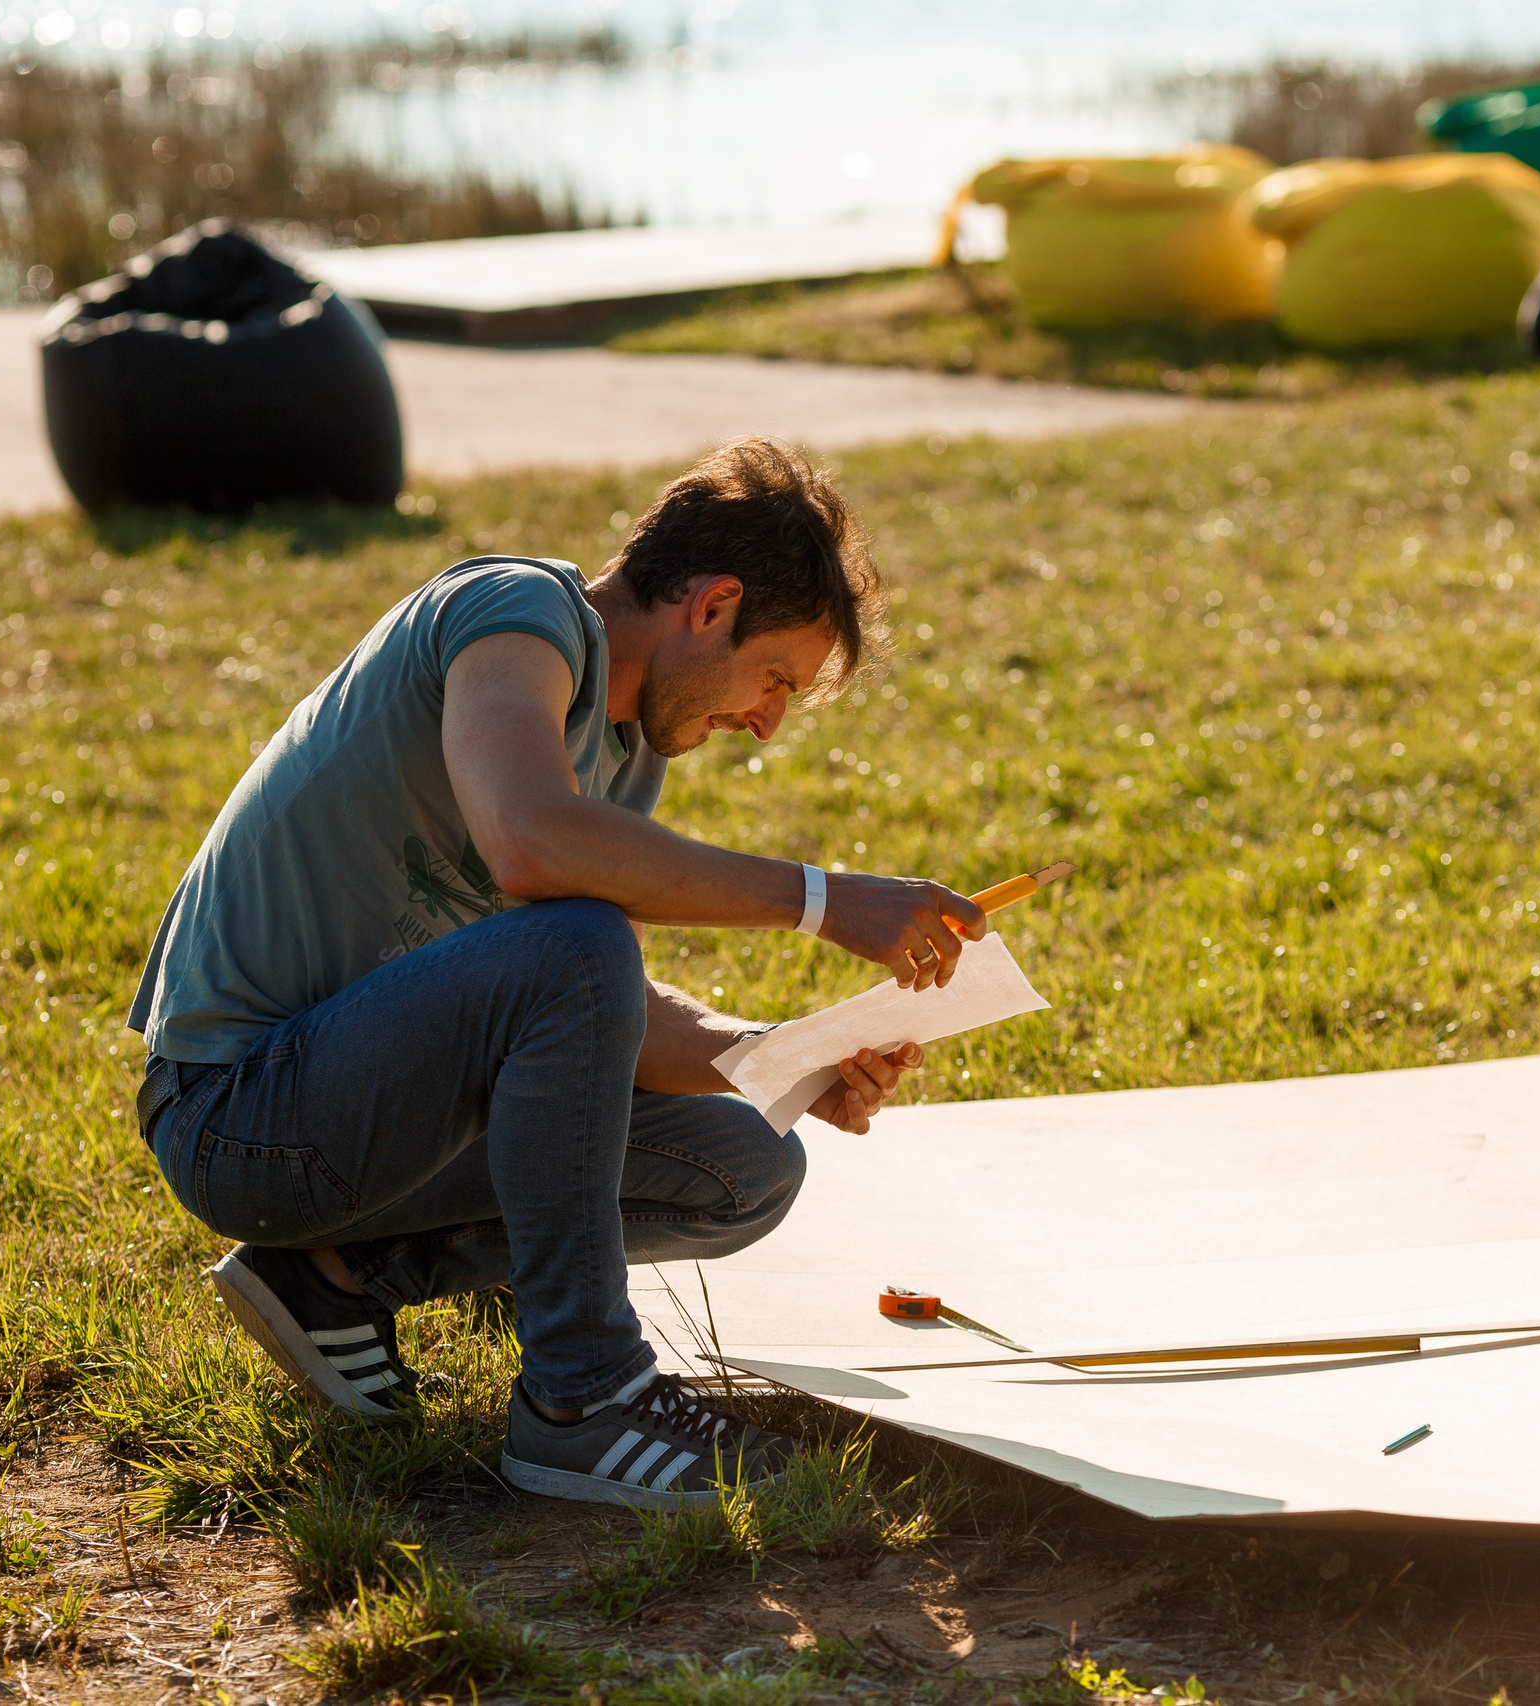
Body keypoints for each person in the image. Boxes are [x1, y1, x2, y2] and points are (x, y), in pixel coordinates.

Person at [127, 437, 987, 1510]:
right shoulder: (514, 613)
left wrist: (785, 1055)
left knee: (746, 1157)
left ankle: (331, 1277)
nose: (765, 721)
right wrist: (821, 898)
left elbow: (577, 1012)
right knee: (579, 944)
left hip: (364, 1122)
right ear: (711, 605)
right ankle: (586, 1399)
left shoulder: (630, 756)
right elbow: (529, 848)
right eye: (775, 679)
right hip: (237, 1114)